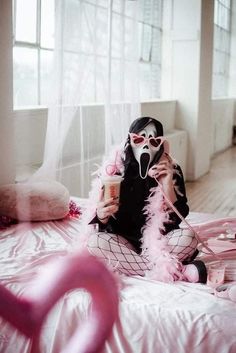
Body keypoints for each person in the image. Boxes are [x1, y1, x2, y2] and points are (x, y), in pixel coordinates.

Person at [85, 117, 207, 283]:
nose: (145, 145)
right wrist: (101, 215)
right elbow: (101, 224)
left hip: (160, 242)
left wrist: (167, 184)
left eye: (153, 140)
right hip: (122, 242)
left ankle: (134, 266)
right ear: (129, 140)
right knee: (95, 243)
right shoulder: (113, 170)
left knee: (189, 237)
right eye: (139, 138)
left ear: (161, 145)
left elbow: (176, 219)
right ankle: (175, 269)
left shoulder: (171, 170)